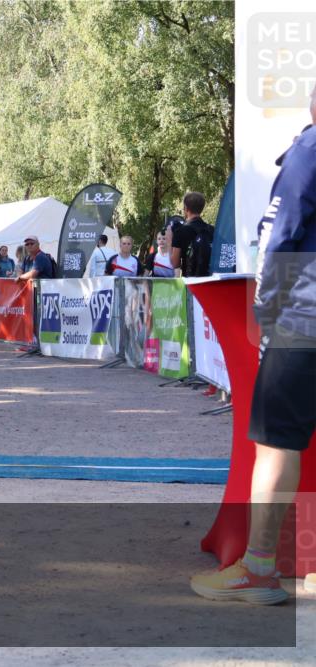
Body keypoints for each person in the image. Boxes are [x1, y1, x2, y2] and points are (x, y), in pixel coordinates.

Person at [190, 86, 316, 606]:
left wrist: (264, 310)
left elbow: (279, 234)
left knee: (275, 442)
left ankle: (260, 570)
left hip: (303, 319)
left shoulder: (309, 149)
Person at [170, 192, 214, 278]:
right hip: (209, 280)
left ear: (186, 209)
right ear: (201, 208)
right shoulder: (211, 230)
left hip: (190, 282)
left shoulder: (180, 231)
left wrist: (169, 241)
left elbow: (175, 264)